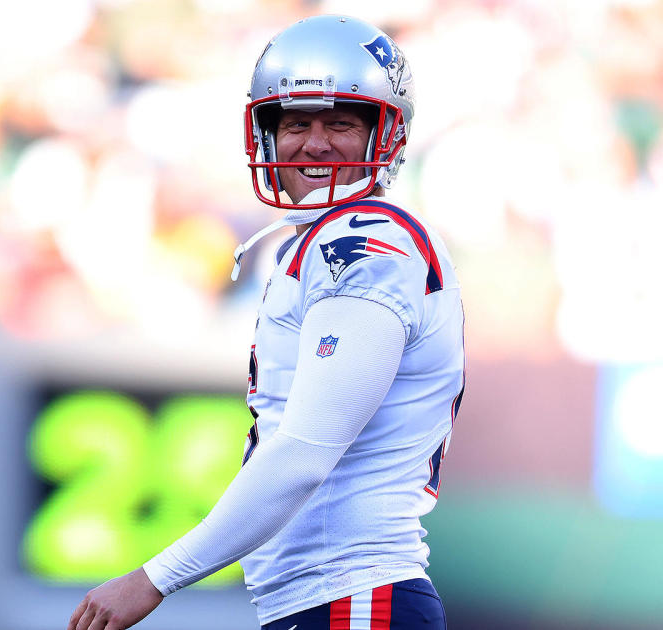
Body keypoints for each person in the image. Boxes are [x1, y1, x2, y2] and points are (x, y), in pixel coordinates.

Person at [68, 15, 464, 630]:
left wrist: (154, 578)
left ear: (384, 134)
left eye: (340, 122)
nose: (314, 142)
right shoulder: (320, 242)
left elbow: (304, 453)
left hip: (355, 597)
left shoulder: (366, 244)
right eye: (296, 122)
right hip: (326, 599)